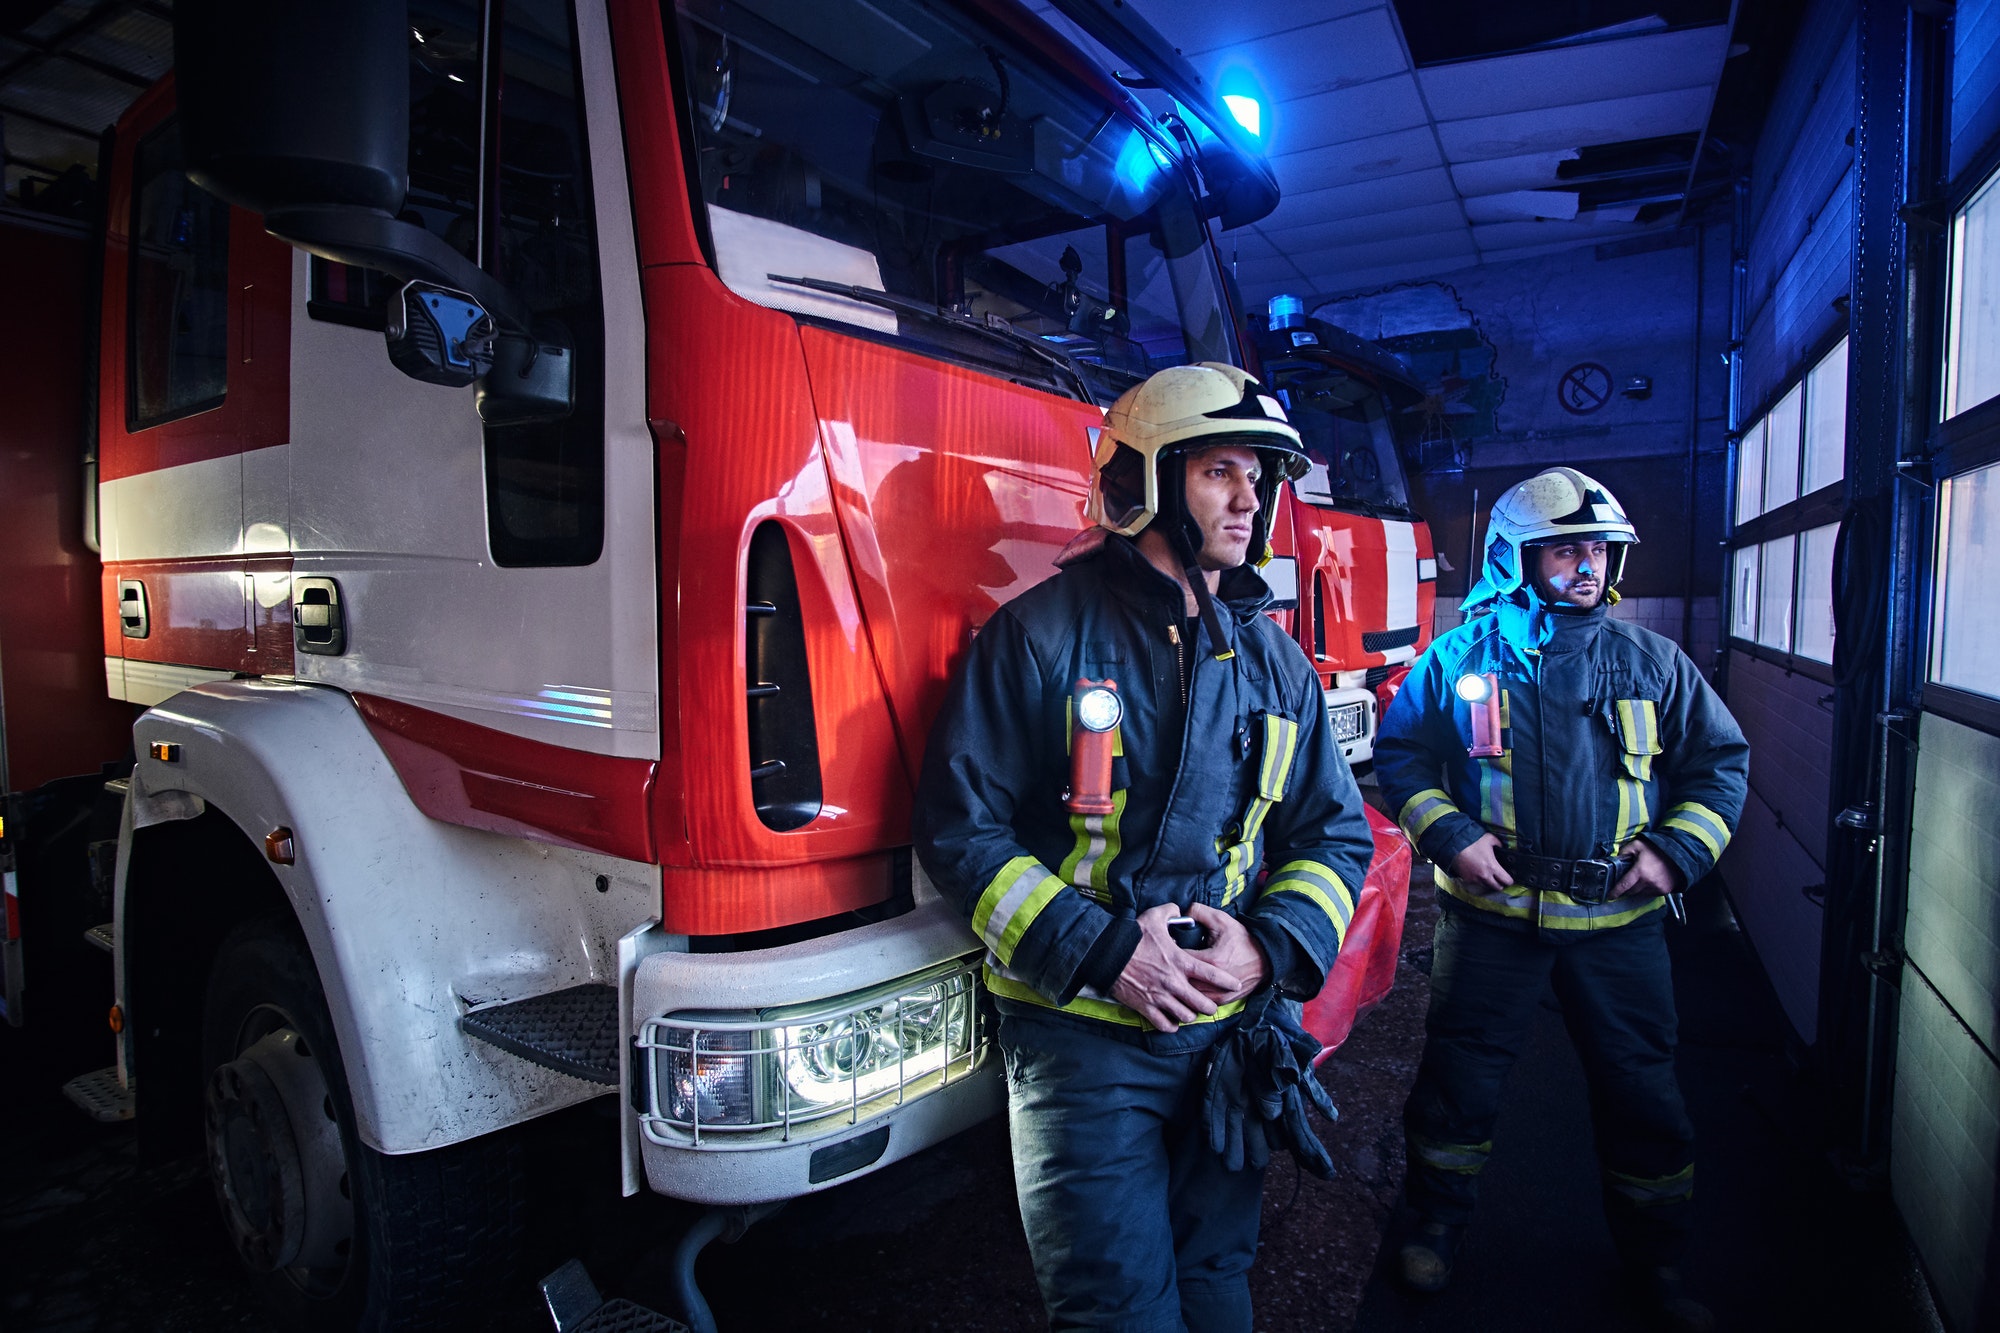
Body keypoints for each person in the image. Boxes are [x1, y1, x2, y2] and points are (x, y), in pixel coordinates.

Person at [913, 363, 1375, 1332]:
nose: (1251, 498)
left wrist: (1268, 947)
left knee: (1215, 1280)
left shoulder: (1275, 663)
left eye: (1257, 474)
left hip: (1230, 1035)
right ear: (1145, 482)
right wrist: (1108, 953)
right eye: (1218, 471)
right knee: (1114, 1310)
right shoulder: (1035, 638)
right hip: (1079, 1040)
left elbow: (1329, 832)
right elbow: (960, 832)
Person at [1373, 467, 1749, 1333]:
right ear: (1515, 559)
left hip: (1620, 927)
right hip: (1492, 922)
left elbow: (1719, 765)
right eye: (1567, 550)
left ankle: (1656, 1260)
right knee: (1458, 1083)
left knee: (1643, 1090)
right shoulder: (1460, 658)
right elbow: (1402, 759)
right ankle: (1434, 1224)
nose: (1588, 566)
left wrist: (1677, 850)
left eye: (1598, 550)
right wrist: (1449, 835)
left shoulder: (1653, 662)